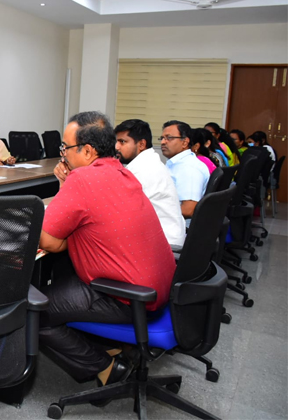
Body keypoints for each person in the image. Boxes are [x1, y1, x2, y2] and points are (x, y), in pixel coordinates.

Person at [40, 111, 175, 387]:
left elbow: (48, 241)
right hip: (158, 287)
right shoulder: (123, 172)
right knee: (65, 277)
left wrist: (65, 187)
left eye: (65, 148)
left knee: (34, 310)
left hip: (126, 296)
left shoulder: (82, 179)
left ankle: (106, 367)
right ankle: (108, 349)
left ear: (87, 151)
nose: (62, 155)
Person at [114, 119, 186, 247]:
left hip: (164, 245)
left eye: (122, 142)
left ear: (141, 144)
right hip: (169, 238)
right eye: (116, 141)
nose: (117, 147)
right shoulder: (149, 162)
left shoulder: (142, 171)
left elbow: (115, 209)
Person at [160, 120, 210, 224]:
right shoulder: (177, 163)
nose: (163, 142)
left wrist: (155, 212)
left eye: (169, 138)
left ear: (185, 142)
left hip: (177, 226)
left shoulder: (189, 168)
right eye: (162, 138)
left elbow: (188, 210)